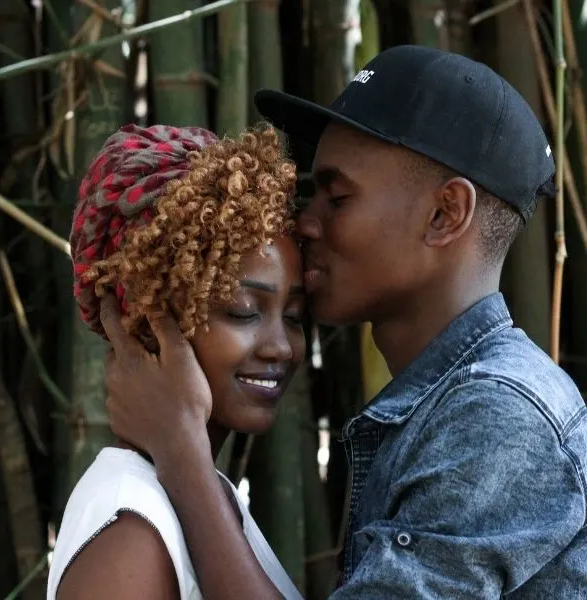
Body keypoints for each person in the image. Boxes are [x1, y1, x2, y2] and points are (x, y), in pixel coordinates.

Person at [102, 45, 587, 598]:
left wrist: (180, 448)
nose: (304, 223)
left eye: (336, 196)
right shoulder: (447, 404)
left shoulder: (497, 418)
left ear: (444, 214)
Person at [47, 123, 306, 600]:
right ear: (150, 318)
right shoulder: (130, 535)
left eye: (293, 316)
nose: (282, 347)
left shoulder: (207, 497)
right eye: (243, 311)